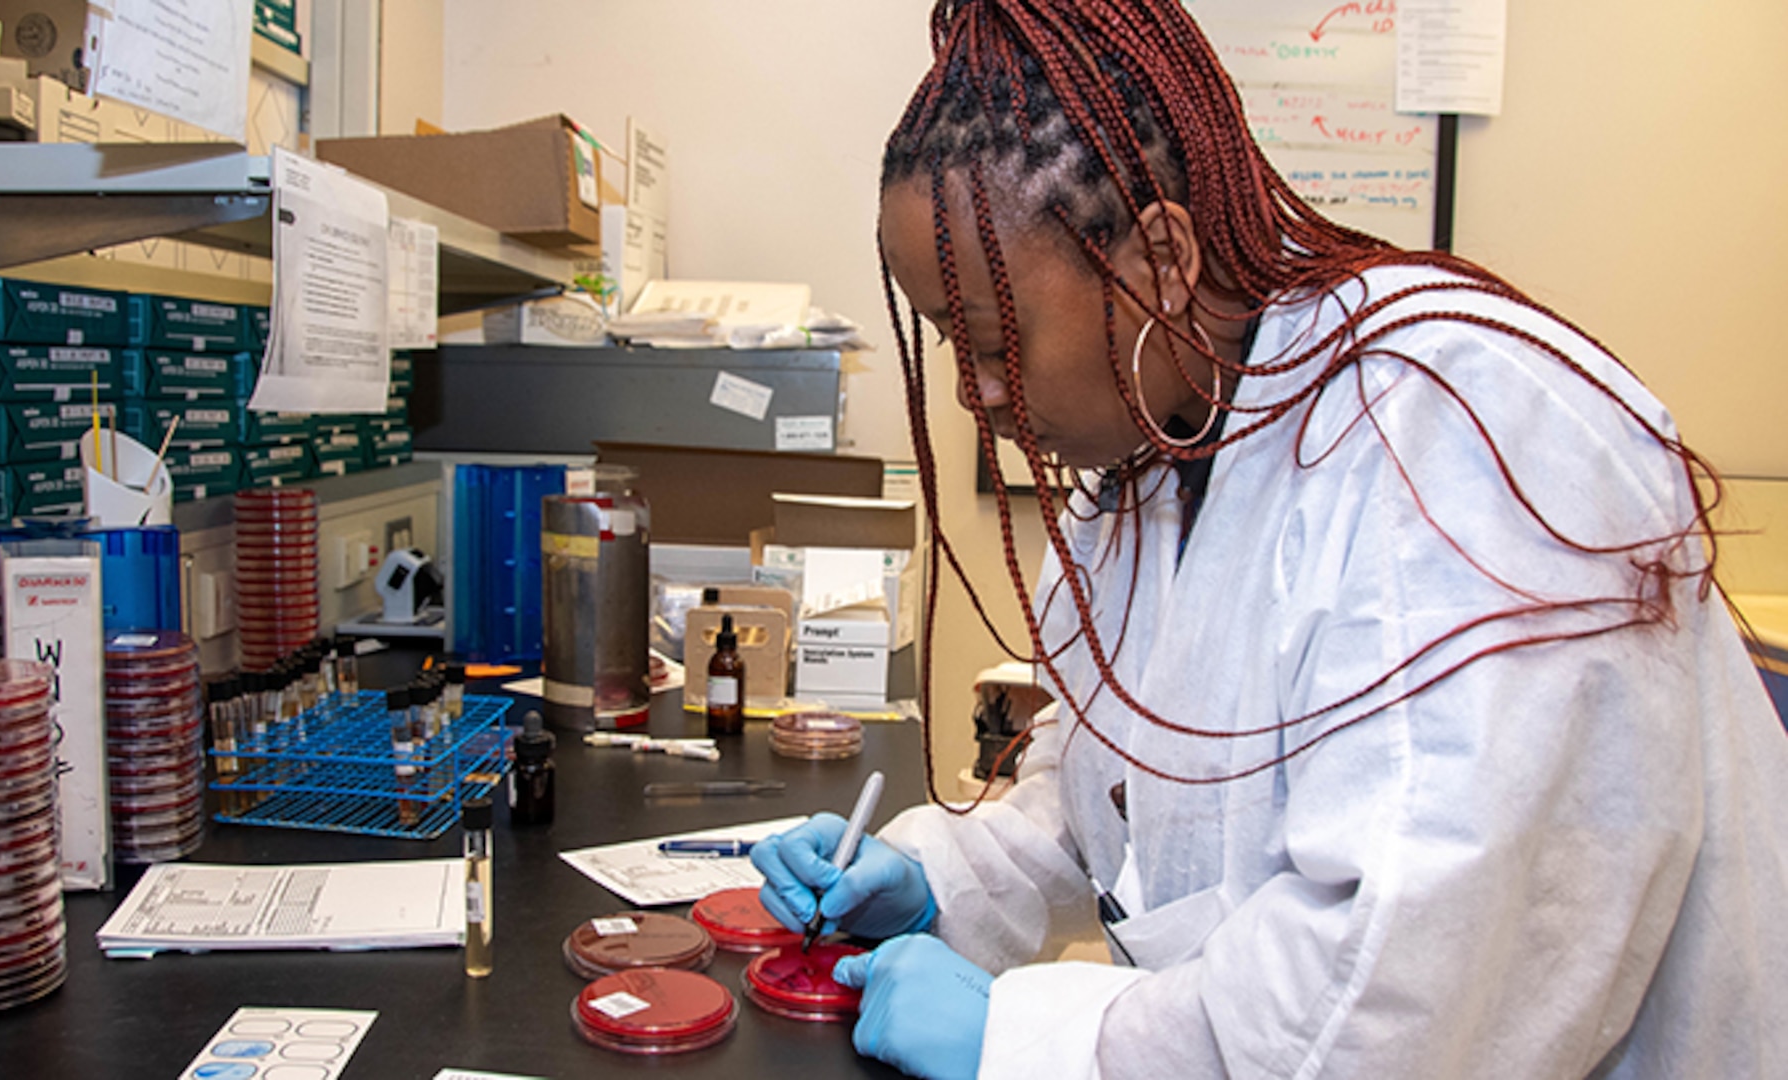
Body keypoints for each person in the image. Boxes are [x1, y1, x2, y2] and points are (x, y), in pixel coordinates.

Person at [751, 1, 1788, 1077]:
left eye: (991, 341)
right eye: (950, 348)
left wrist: (1030, 1044)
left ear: (1158, 256)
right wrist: (947, 880)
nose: (977, 397)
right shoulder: (1157, 444)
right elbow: (1116, 776)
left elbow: (1397, 990)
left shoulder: (1445, 432)